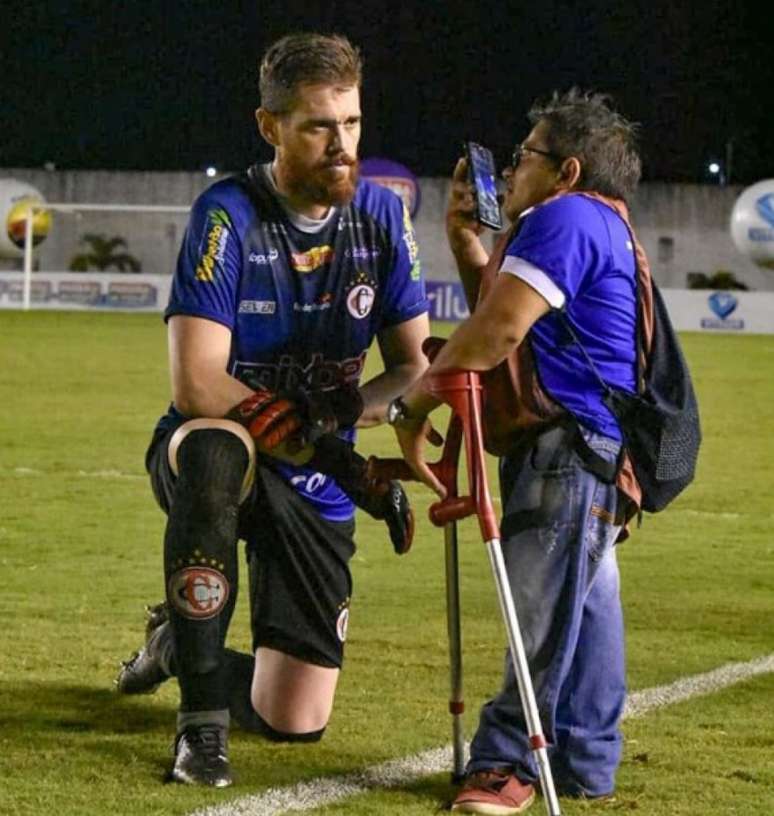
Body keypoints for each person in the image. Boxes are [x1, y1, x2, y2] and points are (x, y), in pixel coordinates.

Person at [115, 32, 430, 787]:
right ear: (270, 126)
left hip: (320, 483)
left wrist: (373, 413)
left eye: (351, 124)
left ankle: (176, 645)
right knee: (219, 452)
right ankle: (201, 728)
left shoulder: (383, 219)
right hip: (229, 450)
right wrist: (336, 452)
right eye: (319, 126)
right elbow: (197, 383)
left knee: (296, 722)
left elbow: (414, 367)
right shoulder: (227, 214)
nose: (341, 145)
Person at [386, 89, 646, 814]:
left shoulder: (563, 217)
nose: (507, 171)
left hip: (566, 446)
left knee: (536, 605)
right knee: (587, 603)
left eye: (524, 156)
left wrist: (413, 405)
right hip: (592, 445)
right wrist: (472, 246)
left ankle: (505, 767)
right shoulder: (592, 221)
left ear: (565, 170)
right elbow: (506, 323)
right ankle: (586, 758)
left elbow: (494, 337)